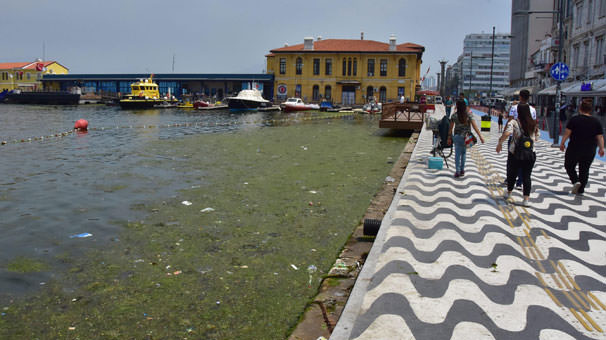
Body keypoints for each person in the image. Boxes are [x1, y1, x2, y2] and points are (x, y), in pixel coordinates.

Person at [496, 104, 540, 207]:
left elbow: (507, 133)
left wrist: (500, 143)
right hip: (530, 153)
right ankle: (526, 199)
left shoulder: (514, 122)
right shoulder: (533, 123)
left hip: (515, 152)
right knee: (527, 176)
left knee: (512, 174)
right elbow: (537, 137)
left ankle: (509, 193)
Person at [559, 99, 605, 195]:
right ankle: (581, 189)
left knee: (569, 165)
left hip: (574, 148)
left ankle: (576, 181)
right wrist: (601, 148)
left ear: (580, 109)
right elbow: (600, 136)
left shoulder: (574, 119)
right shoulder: (596, 121)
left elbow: (567, 133)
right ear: (590, 110)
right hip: (590, 149)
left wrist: (562, 143)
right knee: (584, 169)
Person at [447, 99, 485, 178]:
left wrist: (449, 138)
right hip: (466, 137)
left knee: (457, 154)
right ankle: (462, 170)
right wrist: (481, 136)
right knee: (463, 153)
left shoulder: (454, 115)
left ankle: (457, 171)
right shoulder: (469, 115)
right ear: (465, 106)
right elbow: (475, 127)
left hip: (457, 137)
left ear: (457, 106)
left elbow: (450, 129)